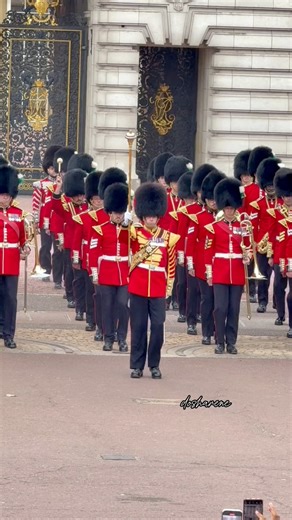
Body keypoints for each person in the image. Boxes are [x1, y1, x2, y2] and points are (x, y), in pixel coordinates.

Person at [129, 183, 180, 379]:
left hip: (158, 287)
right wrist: (126, 223)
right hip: (138, 285)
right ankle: (137, 365)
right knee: (139, 327)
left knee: (158, 326)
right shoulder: (134, 233)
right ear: (142, 215)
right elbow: (122, 240)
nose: (151, 218)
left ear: (158, 216)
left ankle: (154, 364)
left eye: (153, 215)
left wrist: (168, 288)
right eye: (147, 215)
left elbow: (171, 264)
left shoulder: (168, 238)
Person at [204, 177, 251, 354]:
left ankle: (231, 341)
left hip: (237, 271)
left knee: (233, 309)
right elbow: (208, 253)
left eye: (232, 208)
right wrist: (209, 273)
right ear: (223, 208)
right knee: (220, 308)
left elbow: (248, 246)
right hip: (220, 272)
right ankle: (219, 341)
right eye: (228, 208)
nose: (230, 211)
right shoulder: (214, 227)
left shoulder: (243, 226)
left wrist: (248, 257)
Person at [186, 170, 226, 345]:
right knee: (207, 299)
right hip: (203, 265)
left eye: (215, 199)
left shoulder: (226, 218)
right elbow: (190, 241)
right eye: (210, 199)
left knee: (220, 303)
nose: (213, 202)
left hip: (222, 266)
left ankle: (219, 332)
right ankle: (207, 332)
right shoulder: (198, 218)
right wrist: (190, 263)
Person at [89, 183, 129, 352]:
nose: (118, 216)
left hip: (124, 273)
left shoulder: (130, 230)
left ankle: (122, 338)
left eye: (120, 213)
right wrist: (95, 273)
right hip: (106, 272)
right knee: (107, 306)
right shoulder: (100, 229)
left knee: (122, 305)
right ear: (110, 213)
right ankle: (108, 337)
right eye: (115, 213)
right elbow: (93, 253)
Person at [0, 164, 30, 348]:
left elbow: (22, 239)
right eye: (3, 195)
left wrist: (25, 248)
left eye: (8, 195)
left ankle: (9, 333)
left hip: (11, 262)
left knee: (11, 298)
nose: (5, 198)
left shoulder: (18, 214)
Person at [52, 168, 89, 313]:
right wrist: (58, 188)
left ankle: (82, 299)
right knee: (70, 273)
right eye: (77, 196)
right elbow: (55, 206)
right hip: (71, 244)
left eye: (81, 195)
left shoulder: (88, 207)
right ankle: (70, 295)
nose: (80, 198)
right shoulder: (67, 208)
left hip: (85, 245)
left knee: (83, 275)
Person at [250, 157, 283, 313]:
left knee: (279, 276)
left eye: (272, 185)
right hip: (262, 243)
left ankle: (277, 302)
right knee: (263, 275)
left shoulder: (283, 203)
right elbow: (254, 225)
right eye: (268, 185)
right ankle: (262, 301)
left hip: (279, 242)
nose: (270, 188)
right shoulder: (258, 204)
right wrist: (254, 242)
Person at [32, 144, 63, 287]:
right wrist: (35, 220)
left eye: (54, 168)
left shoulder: (62, 184)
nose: (52, 170)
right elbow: (36, 203)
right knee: (45, 247)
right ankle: (45, 269)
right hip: (45, 220)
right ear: (47, 168)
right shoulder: (41, 184)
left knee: (58, 250)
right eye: (50, 168)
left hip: (58, 220)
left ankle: (57, 278)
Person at [274, 167, 292, 338]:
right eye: (285, 195)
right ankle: (280, 314)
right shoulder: (277, 212)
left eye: (290, 195)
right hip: (281, 256)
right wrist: (275, 257)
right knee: (279, 287)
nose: (287, 198)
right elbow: (275, 237)